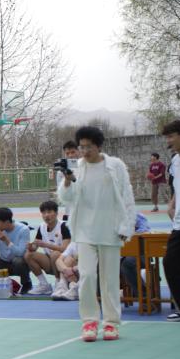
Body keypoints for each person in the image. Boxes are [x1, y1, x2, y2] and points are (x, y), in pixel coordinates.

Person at [57, 126, 135, 341]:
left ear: (99, 146)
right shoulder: (77, 168)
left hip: (110, 230)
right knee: (88, 276)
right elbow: (66, 198)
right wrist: (67, 180)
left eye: (89, 146)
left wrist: (126, 226)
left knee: (109, 280)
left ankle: (111, 323)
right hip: (84, 231)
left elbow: (127, 197)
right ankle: (89, 321)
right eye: (81, 147)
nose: (84, 151)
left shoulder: (115, 166)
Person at [160, 119, 180, 321]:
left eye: (171, 136)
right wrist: (172, 204)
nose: (168, 141)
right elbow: (178, 186)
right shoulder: (175, 161)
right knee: (170, 263)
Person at [27, 200, 72, 296]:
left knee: (55, 254)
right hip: (50, 261)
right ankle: (44, 285)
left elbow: (65, 249)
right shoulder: (42, 227)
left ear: (56, 213)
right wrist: (31, 247)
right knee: (28, 255)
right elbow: (35, 246)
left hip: (64, 262)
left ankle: (60, 283)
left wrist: (46, 245)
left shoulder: (64, 226)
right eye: (43, 213)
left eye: (49, 212)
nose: (46, 215)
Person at [59, 140, 80, 222]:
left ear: (78, 151)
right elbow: (62, 195)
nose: (70, 155)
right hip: (69, 213)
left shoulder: (86, 166)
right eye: (67, 153)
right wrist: (67, 179)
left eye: (73, 152)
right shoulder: (61, 171)